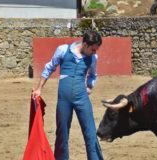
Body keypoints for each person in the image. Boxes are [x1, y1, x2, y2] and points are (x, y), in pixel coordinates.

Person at [32, 30, 104, 160]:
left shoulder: (93, 58)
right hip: (64, 100)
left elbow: (93, 74)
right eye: (93, 49)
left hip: (82, 98)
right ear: (85, 45)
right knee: (62, 134)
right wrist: (39, 88)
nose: (95, 53)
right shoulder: (63, 50)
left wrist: (89, 86)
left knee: (91, 133)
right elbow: (50, 67)